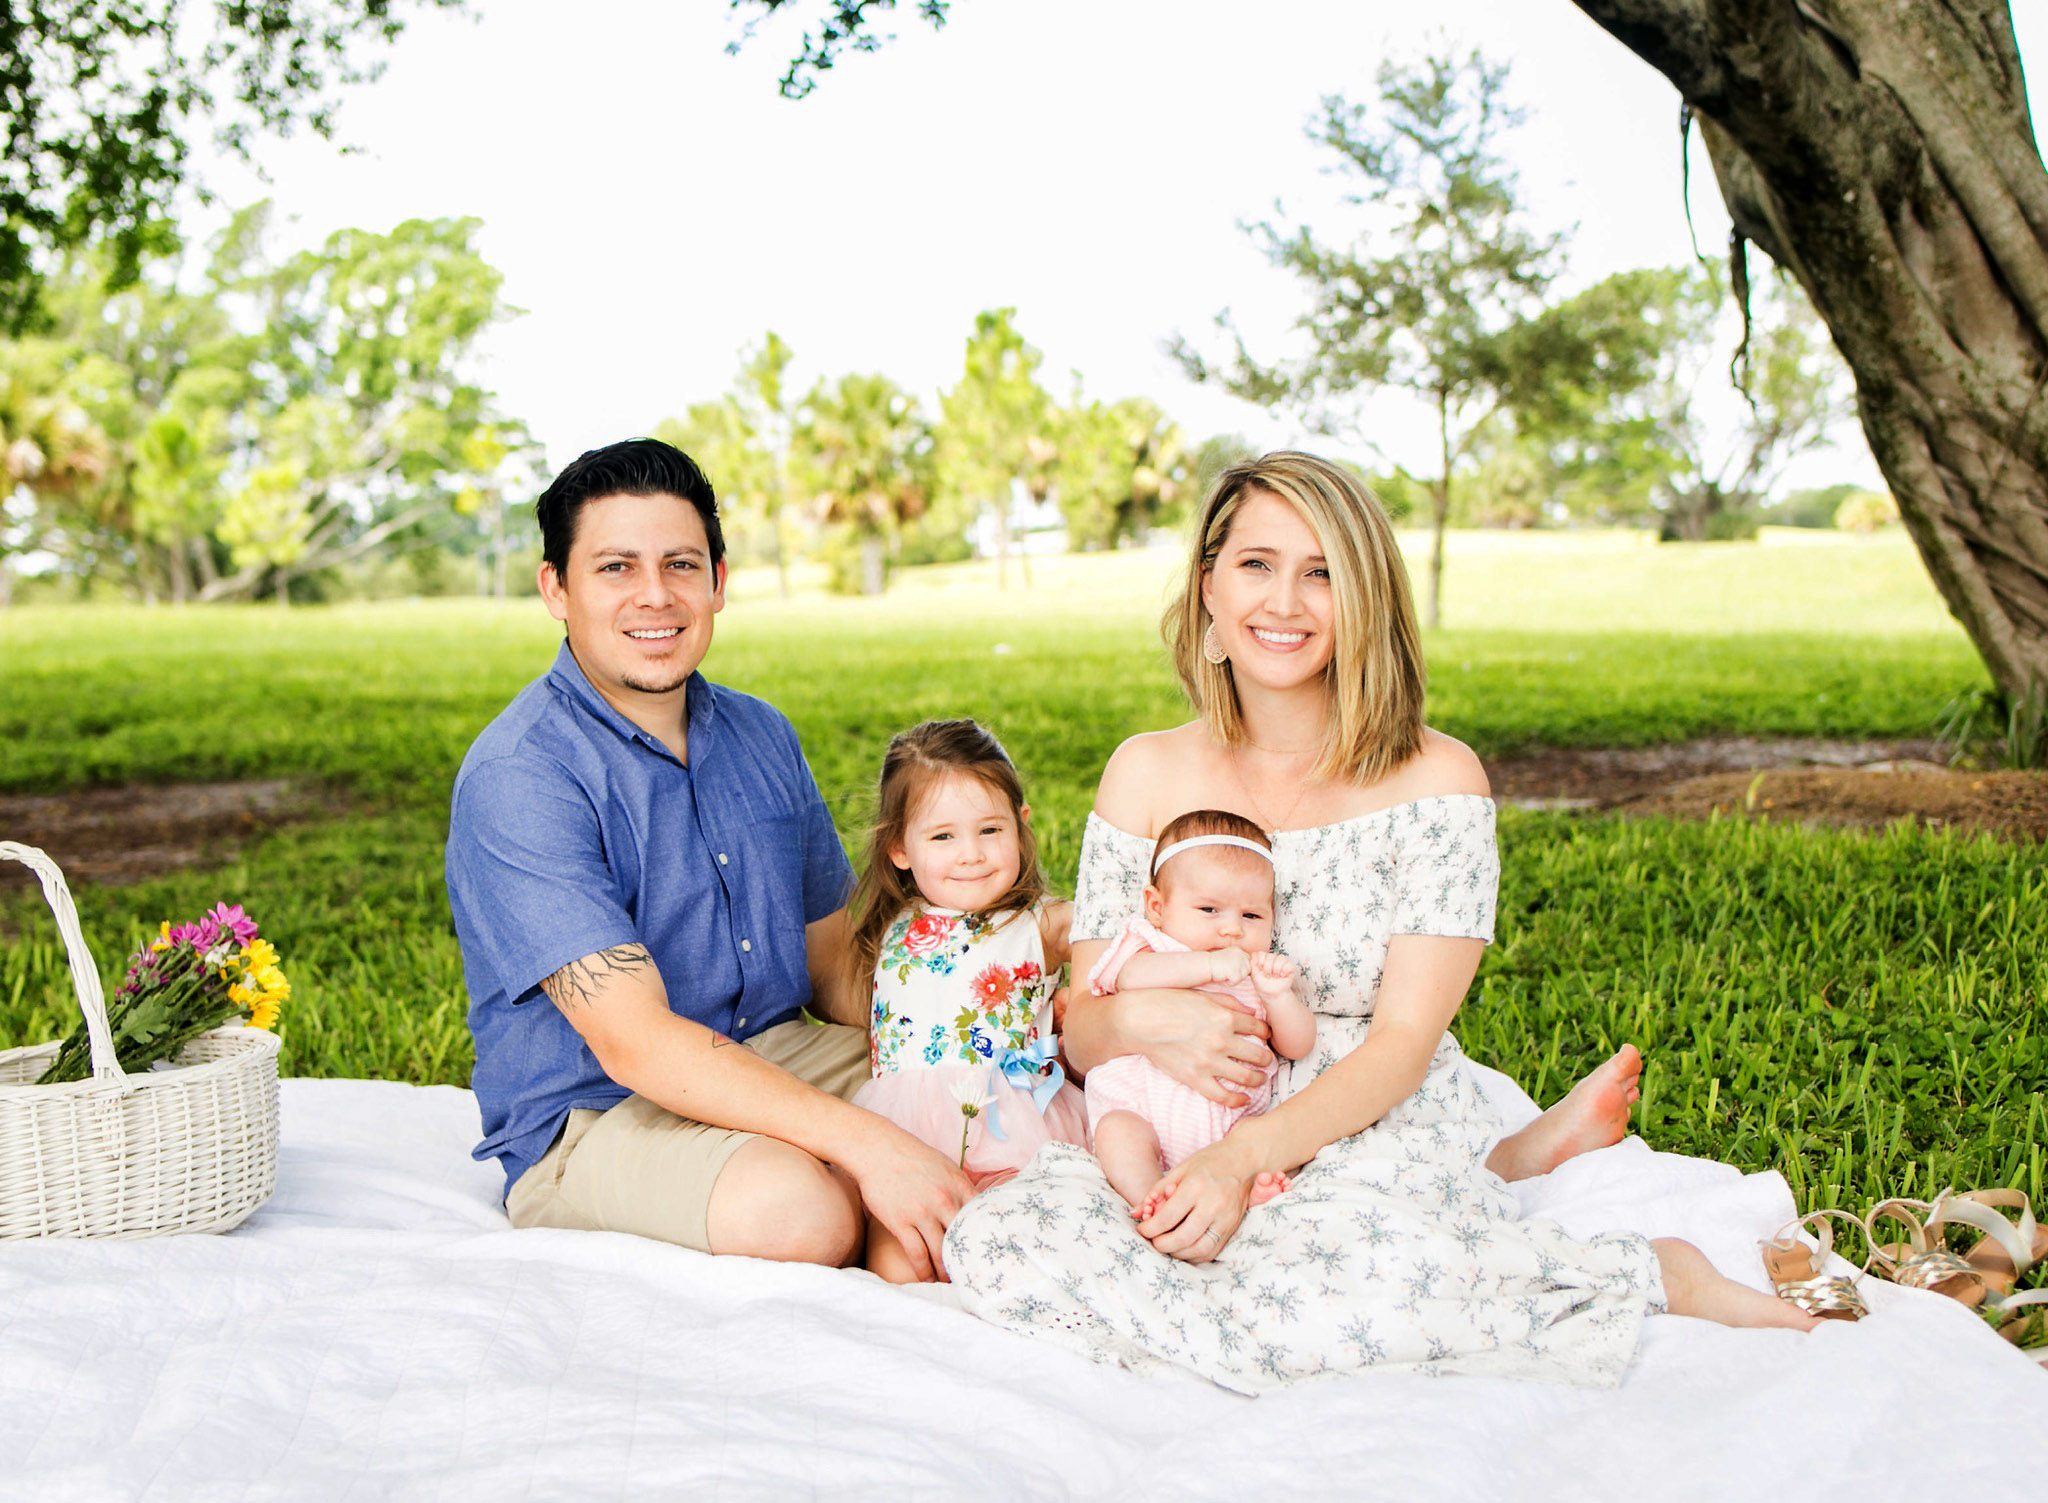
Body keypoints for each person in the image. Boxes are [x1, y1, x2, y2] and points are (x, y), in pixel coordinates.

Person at [944, 451, 1816, 1389]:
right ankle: (1502, 1164)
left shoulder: (1437, 780)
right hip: (1165, 1113)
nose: (1286, 600)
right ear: (1207, 584)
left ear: (1365, 597)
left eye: (1322, 572)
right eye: (1256, 564)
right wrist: (1154, 1025)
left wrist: (1244, 1159)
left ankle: (1647, 1268)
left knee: (1332, 1291)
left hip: (1359, 1101)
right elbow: (1081, 1021)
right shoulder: (1144, 771)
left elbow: (1403, 1040)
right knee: (1004, 1241)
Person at [445, 438, 970, 1281]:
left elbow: (830, 962)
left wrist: (964, 1027)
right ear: (556, 588)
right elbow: (638, 1045)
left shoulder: (760, 731)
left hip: (768, 1050)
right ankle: (855, 1192)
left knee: (999, 1101)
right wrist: (874, 1140)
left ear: (718, 582)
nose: (656, 595)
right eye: (615, 567)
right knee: (798, 1211)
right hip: (599, 1117)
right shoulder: (523, 775)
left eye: (681, 564)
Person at [843, 719, 1090, 1281]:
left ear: (1021, 826)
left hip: (1012, 1126)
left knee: (1013, 1252)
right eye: (943, 837)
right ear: (899, 850)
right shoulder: (894, 924)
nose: (971, 854)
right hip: (907, 1129)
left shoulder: (1041, 924)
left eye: (989, 830)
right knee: (897, 1267)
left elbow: (1121, 929)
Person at [1083, 808, 1314, 1213]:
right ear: (1157, 907)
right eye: (1209, 910)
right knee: (1117, 1133)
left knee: (1265, 1145)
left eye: (1252, 915)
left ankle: (1244, 1194)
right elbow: (1126, 978)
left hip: (1230, 1122)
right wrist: (1206, 967)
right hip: (1145, 1111)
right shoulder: (1150, 946)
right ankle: (1150, 1197)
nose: (1232, 929)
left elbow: (1297, 1045)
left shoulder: (1255, 970)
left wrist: (1279, 998)